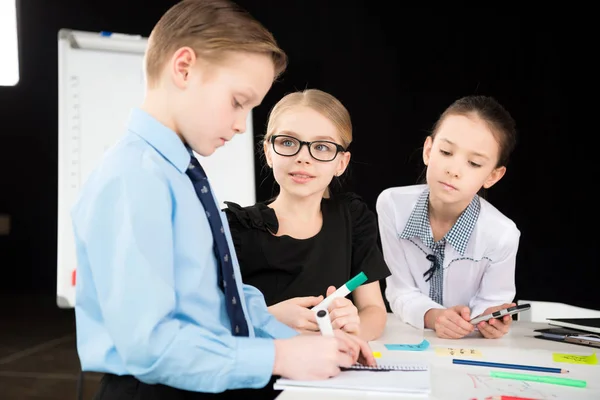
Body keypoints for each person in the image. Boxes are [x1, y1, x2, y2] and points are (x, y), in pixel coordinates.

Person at [71, 1, 375, 399]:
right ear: (184, 68)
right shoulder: (135, 178)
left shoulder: (182, 174)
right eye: (237, 101)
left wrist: (311, 341)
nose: (239, 124)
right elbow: (151, 346)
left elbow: (217, 297)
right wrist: (278, 357)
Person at [223, 89, 390, 342]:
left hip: (329, 370)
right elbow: (213, 320)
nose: (303, 158)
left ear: (341, 163)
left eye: (322, 147)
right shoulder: (235, 228)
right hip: (264, 370)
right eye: (288, 142)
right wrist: (266, 318)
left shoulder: (353, 219)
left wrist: (351, 334)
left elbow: (373, 310)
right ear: (269, 151)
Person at [377, 95, 519, 340]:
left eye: (474, 163)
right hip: (409, 339)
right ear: (428, 150)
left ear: (493, 176)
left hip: (470, 347)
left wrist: (491, 321)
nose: (453, 170)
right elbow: (399, 291)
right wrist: (434, 317)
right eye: (445, 152)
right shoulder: (392, 206)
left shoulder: (502, 234)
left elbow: (494, 303)